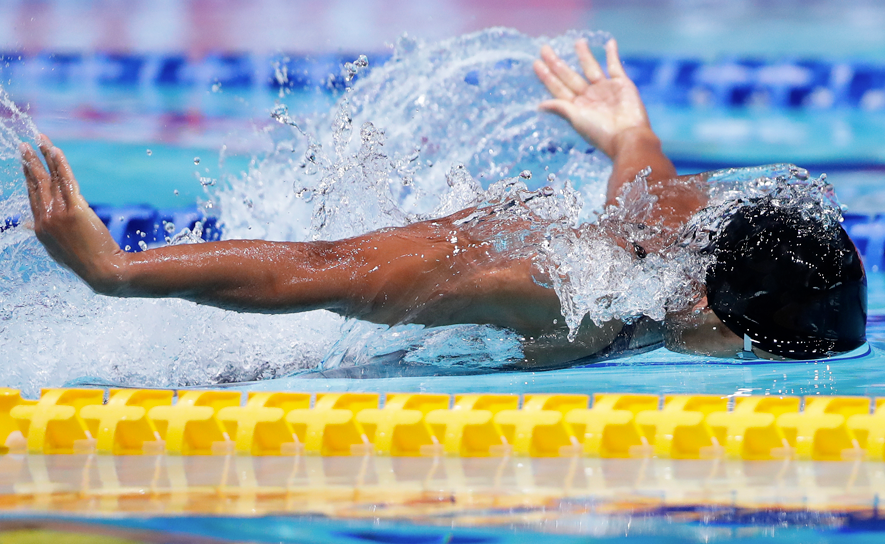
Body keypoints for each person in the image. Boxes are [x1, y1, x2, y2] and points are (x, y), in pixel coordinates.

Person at [20, 39, 866, 368]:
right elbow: (327, 269)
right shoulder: (560, 289)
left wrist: (625, 131)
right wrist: (115, 273)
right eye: (761, 354)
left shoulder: (686, 239)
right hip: (272, 340)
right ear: (721, 321)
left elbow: (650, 179)